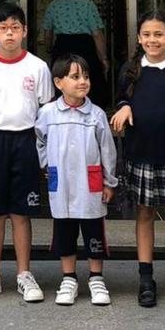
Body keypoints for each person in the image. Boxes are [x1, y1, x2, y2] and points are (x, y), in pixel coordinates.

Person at [110, 10, 165, 309]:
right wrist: (123, 105)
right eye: (146, 34)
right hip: (140, 156)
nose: (152, 40)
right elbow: (122, 98)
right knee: (144, 215)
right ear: (139, 38)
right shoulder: (130, 70)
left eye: (159, 34)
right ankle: (145, 278)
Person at [0, 3, 53, 304]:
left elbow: (46, 114)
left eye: (15, 28)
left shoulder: (38, 67)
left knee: (21, 212)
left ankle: (23, 273)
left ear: (25, 31)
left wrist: (46, 155)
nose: (9, 34)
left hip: (26, 141)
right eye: (3, 28)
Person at [35, 54, 117, 306]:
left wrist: (109, 181)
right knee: (65, 230)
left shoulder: (96, 114)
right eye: (75, 77)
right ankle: (68, 278)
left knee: (93, 230)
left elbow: (108, 150)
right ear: (58, 83)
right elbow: (39, 140)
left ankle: (96, 277)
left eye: (86, 76)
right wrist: (46, 163)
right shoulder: (48, 112)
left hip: (90, 182)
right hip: (62, 183)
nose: (82, 82)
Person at [42, 0, 110, 107]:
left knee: (62, 81)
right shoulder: (88, 4)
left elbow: (47, 33)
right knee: (89, 82)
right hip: (85, 47)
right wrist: (103, 58)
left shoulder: (54, 5)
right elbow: (97, 34)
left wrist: (49, 49)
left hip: (62, 46)